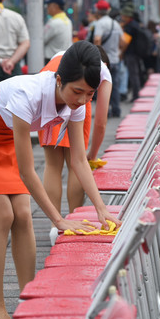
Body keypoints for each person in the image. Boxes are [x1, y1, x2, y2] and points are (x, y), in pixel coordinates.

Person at [0, 41, 121, 319]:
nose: (82, 99)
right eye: (77, 91)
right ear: (58, 80)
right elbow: (29, 171)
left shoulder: (77, 104)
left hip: (2, 136)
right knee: (4, 215)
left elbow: (79, 161)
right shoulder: (26, 94)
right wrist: (58, 219)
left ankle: (30, 300)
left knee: (24, 215)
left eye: (89, 94)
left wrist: (101, 209)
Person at [38, 46, 113, 214]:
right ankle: (74, 217)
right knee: (77, 164)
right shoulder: (103, 69)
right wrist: (92, 155)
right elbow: (101, 122)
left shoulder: (66, 56)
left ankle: (54, 224)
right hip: (74, 100)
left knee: (52, 165)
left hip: (50, 97)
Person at [92, 0, 125, 118]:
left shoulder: (100, 23)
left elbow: (97, 40)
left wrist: (96, 55)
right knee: (114, 86)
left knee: (102, 87)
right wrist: (119, 52)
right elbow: (123, 42)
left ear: (98, 11)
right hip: (115, 59)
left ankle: (105, 111)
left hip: (104, 61)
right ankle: (116, 110)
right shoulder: (115, 23)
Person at [43, 0, 73, 64]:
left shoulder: (53, 22)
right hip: (64, 59)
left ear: (55, 6)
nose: (47, 8)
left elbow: (41, 40)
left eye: (48, 5)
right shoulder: (68, 21)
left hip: (51, 60)